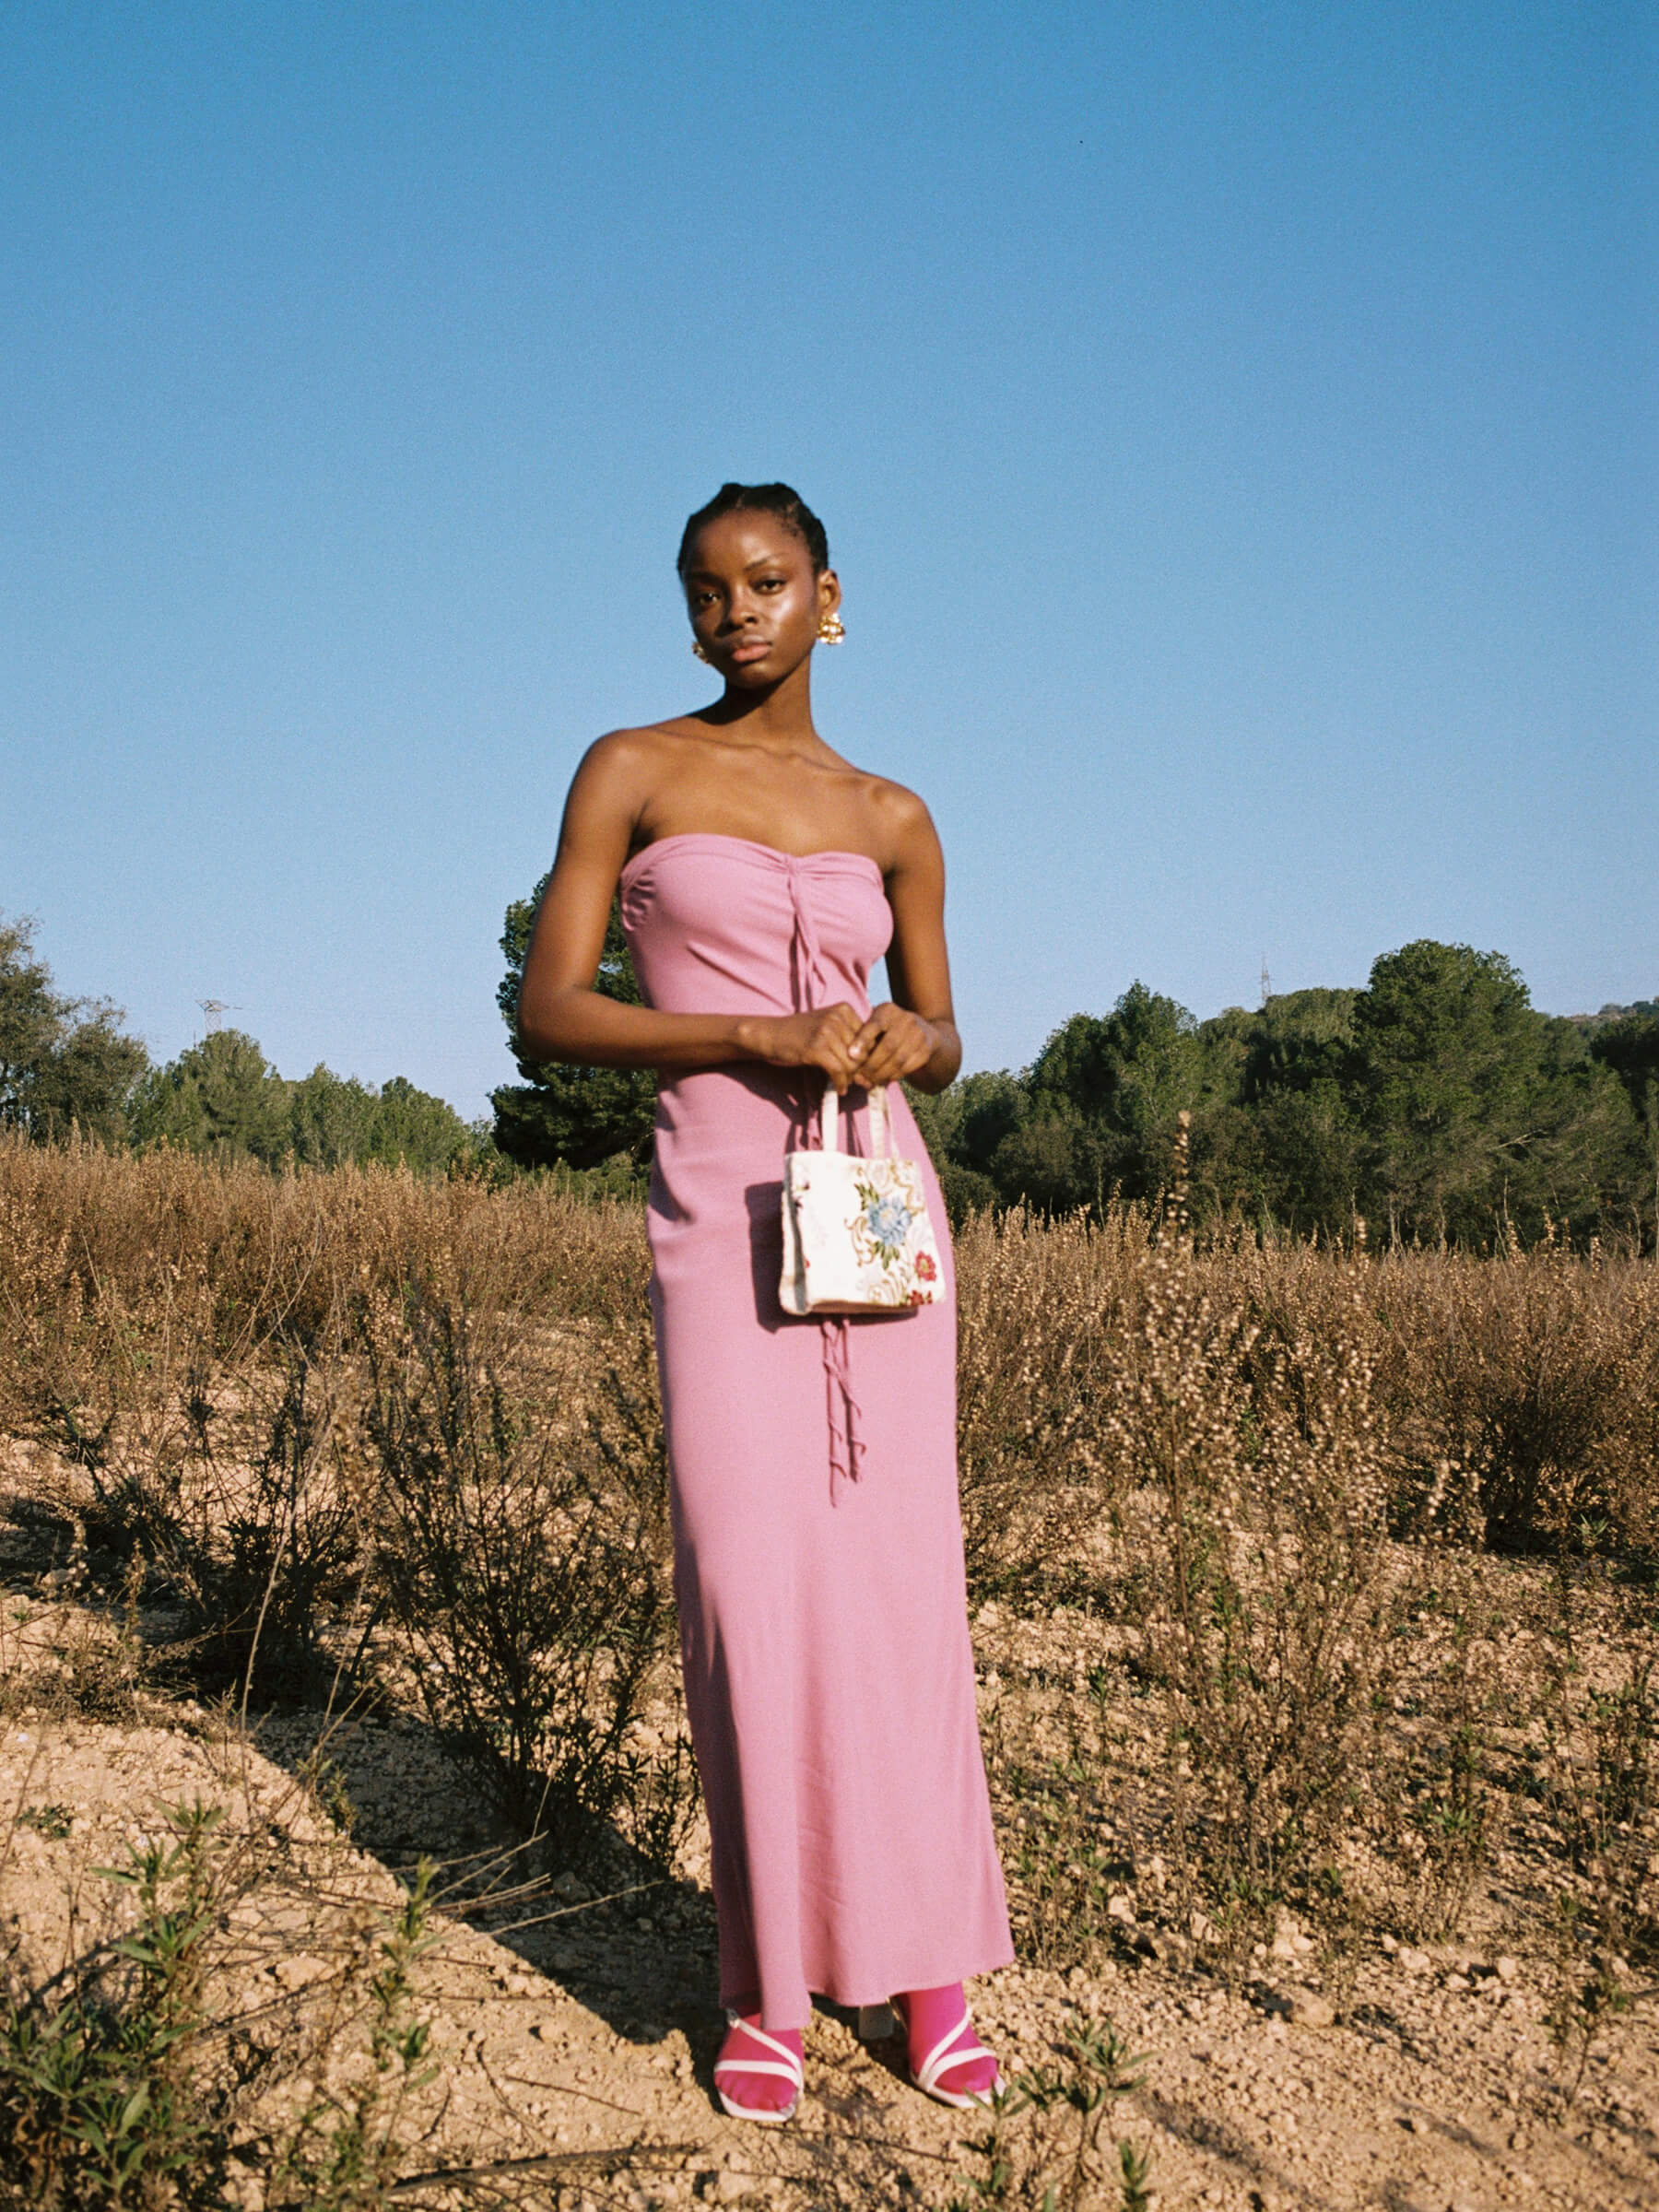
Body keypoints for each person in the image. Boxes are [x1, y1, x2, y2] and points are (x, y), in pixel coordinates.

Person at [516, 482, 1013, 2124]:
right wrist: (754, 1038)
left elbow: (948, 1028)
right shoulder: (634, 770)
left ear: (830, 596)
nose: (737, 611)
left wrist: (892, 1044)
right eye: (708, 588)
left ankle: (931, 1965)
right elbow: (553, 1013)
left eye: (769, 581)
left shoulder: (894, 813)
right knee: (747, 1586)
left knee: (895, 1586)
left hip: (879, 1217)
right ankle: (769, 1984)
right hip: (719, 1214)